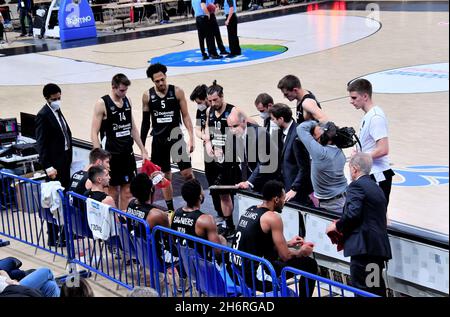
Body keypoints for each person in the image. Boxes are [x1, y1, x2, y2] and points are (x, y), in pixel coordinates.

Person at [231, 180, 318, 296]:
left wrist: (287, 243)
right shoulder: (272, 218)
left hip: (236, 269)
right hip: (255, 276)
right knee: (310, 264)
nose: (284, 202)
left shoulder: (251, 209)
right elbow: (285, 256)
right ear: (276, 199)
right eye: (283, 198)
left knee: (275, 256)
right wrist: (301, 252)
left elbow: (257, 242)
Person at [326, 153, 392, 296]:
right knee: (374, 289)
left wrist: (336, 226)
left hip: (364, 251)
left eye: (350, 168)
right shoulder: (376, 188)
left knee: (363, 290)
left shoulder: (356, 186)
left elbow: (353, 214)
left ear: (354, 169)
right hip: (376, 250)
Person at [141, 63, 195, 212]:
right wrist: (142, 146)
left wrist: (191, 137)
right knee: (164, 178)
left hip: (176, 139)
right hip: (158, 141)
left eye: (162, 79)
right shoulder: (147, 96)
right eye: (157, 81)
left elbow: (185, 116)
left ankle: (197, 199)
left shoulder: (177, 92)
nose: (161, 83)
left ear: (166, 77)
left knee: (187, 174)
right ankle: (170, 210)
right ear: (152, 81)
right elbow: (145, 123)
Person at [91, 73, 148, 211]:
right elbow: (94, 133)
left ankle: (123, 220)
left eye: (126, 90)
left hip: (126, 153)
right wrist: (99, 157)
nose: (124, 93)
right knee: (112, 191)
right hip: (111, 155)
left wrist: (142, 149)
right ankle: (112, 219)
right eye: (121, 90)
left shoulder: (127, 100)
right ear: (113, 87)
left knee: (128, 191)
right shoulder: (102, 103)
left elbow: (132, 127)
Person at [36, 83, 72, 247]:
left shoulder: (57, 110)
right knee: (53, 202)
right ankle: (52, 236)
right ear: (47, 99)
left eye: (59, 98)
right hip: (53, 168)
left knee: (62, 201)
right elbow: (41, 144)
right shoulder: (43, 115)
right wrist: (48, 166)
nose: (58, 101)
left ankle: (63, 234)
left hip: (64, 162)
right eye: (54, 99)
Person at [347, 79, 395, 205]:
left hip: (378, 174)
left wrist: (360, 157)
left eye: (354, 97)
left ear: (365, 96)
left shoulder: (375, 117)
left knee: (375, 216)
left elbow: (383, 149)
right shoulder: (369, 114)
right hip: (371, 172)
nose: (351, 101)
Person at [203, 81, 240, 237]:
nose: (212, 103)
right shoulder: (209, 111)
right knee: (218, 193)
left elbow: (245, 129)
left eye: (215, 100)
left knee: (225, 194)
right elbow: (207, 128)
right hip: (214, 158)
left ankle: (230, 225)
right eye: (210, 100)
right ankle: (227, 222)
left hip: (228, 159)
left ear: (222, 97)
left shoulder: (233, 111)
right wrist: (208, 142)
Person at [190, 84, 224, 229]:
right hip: (208, 151)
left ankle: (226, 216)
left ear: (207, 99)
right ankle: (219, 213)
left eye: (199, 102)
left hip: (221, 151)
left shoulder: (217, 110)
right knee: (212, 184)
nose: (199, 106)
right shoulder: (201, 111)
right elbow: (198, 129)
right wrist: (204, 136)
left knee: (223, 184)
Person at [297, 120, 348, 213]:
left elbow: (301, 128)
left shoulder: (321, 153)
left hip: (332, 205)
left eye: (315, 138)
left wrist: (314, 122)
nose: (313, 139)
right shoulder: (338, 149)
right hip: (343, 197)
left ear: (325, 138)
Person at [269, 103, 313, 206]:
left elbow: (305, 166)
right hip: (285, 185)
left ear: (281, 119)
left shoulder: (297, 136)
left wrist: (295, 188)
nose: (272, 122)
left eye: (273, 119)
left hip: (297, 191)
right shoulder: (281, 132)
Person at [226, 109, 278, 192]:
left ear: (244, 121)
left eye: (235, 126)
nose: (232, 130)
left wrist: (249, 182)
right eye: (229, 127)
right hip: (251, 175)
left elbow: (264, 162)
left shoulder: (260, 134)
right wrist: (244, 181)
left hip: (267, 178)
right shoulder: (232, 135)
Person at [171, 179, 226, 247]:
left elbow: (173, 239)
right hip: (199, 257)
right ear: (200, 196)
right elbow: (218, 251)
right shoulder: (206, 220)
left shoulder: (176, 213)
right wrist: (222, 240)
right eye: (202, 190)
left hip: (181, 255)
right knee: (222, 240)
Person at [126, 173, 169, 239]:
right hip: (152, 248)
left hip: (136, 246)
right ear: (151, 190)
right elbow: (169, 236)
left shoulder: (131, 203)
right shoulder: (158, 215)